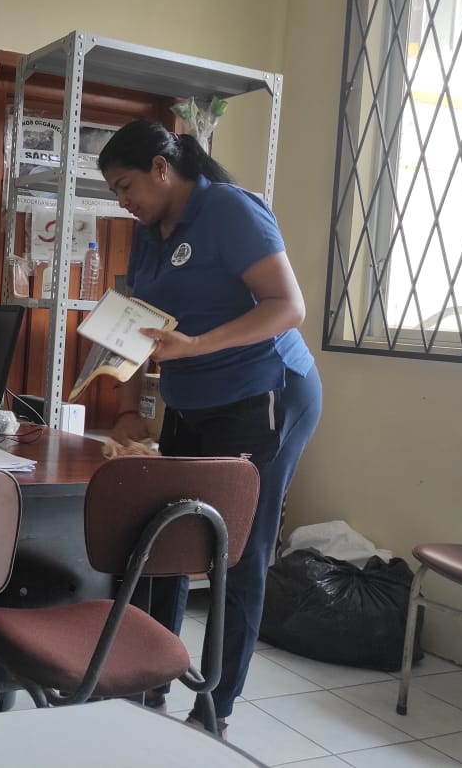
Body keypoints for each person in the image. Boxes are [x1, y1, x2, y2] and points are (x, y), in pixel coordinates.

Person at [97, 119, 322, 737]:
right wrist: (127, 406)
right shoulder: (148, 231)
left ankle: (214, 710)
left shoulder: (229, 210)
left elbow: (288, 307)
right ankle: (152, 680)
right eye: (114, 192)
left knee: (237, 549)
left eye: (126, 185)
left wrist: (196, 346)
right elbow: (136, 322)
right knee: (168, 536)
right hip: (192, 398)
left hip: (264, 391)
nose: (123, 200)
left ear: (162, 168)